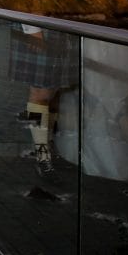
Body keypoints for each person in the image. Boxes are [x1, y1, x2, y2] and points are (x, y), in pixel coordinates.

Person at [10, 23, 80, 176]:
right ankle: (42, 156)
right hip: (40, 29)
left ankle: (46, 149)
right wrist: (31, 29)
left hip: (63, 31)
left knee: (55, 92)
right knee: (39, 93)